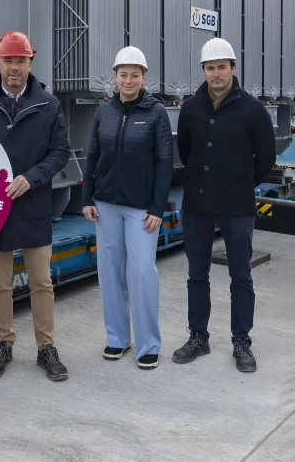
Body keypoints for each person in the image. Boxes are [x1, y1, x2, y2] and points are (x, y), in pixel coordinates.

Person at [0, 31, 71, 381]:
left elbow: (59, 152)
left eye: (20, 61)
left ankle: (46, 347)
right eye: (8, 60)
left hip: (34, 203)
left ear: (30, 62)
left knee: (41, 281)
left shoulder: (48, 104)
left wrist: (32, 177)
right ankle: (3, 343)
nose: (14, 67)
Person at [172, 37, 275, 373]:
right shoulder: (191, 109)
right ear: (203, 71)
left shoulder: (253, 110)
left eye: (221, 67)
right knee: (196, 274)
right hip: (198, 204)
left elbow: (267, 157)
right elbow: (186, 151)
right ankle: (198, 337)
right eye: (210, 68)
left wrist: (242, 182)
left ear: (233, 68)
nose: (215, 73)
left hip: (237, 205)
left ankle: (241, 341)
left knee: (240, 275)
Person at [81, 47, 173, 370]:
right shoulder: (104, 111)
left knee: (142, 272)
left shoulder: (156, 113)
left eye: (135, 75)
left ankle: (148, 344)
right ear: (115, 77)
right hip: (105, 204)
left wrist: (158, 207)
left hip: (141, 209)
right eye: (123, 75)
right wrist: (87, 198)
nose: (128, 80)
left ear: (144, 77)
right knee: (109, 273)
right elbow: (93, 156)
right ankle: (118, 338)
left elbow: (165, 162)